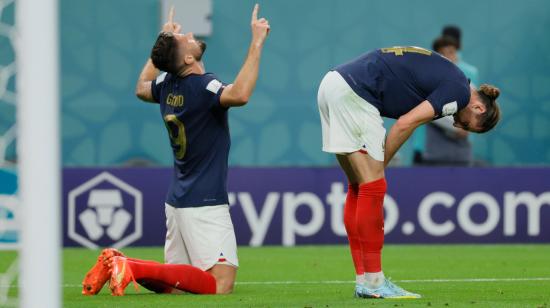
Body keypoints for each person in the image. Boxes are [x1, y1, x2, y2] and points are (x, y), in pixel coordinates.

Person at [81, 4, 270, 296]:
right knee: (220, 285)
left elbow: (141, 87)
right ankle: (127, 265)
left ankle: (121, 263)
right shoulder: (203, 86)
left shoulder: (167, 85)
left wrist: (163, 40)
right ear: (189, 57)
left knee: (177, 286)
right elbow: (240, 94)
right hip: (205, 202)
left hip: (178, 201)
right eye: (185, 39)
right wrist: (256, 42)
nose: (191, 34)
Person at [317, 46, 500, 299]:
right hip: (355, 93)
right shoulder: (458, 92)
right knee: (373, 185)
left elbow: (409, 121)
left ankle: (364, 280)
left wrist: (378, 163)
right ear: (478, 108)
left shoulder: (450, 78)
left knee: (359, 186)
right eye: (467, 125)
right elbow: (405, 123)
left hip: (332, 84)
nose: (458, 125)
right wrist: (380, 165)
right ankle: (374, 282)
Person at [422, 36, 473, 166]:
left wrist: (466, 125)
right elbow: (431, 111)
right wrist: (457, 128)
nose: (448, 57)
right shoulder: (428, 82)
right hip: (436, 154)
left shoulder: (468, 84)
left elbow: (475, 108)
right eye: (443, 53)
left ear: (456, 55)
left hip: (462, 153)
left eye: (451, 52)